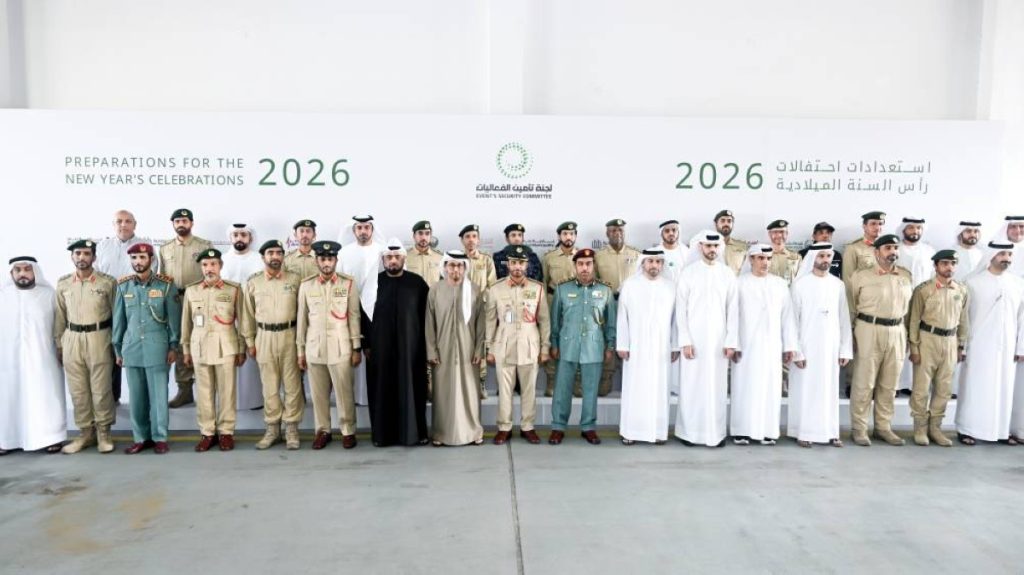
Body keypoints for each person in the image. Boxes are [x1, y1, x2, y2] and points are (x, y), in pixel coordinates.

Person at [113, 243, 180, 455]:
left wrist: (174, 346)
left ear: (151, 259)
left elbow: (174, 320)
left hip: (157, 348)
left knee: (159, 397)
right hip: (132, 348)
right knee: (136, 398)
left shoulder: (166, 285)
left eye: (142, 257)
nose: (138, 262)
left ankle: (160, 438)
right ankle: (140, 438)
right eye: (134, 258)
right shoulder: (123, 286)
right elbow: (119, 322)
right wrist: (117, 349)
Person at [847, 234, 913, 446]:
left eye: (895, 247)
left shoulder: (905, 275)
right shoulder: (861, 276)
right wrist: (850, 335)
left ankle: (883, 428)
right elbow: (851, 306)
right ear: (876, 252)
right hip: (868, 328)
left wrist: (908, 337)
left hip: (897, 330)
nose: (892, 251)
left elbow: (909, 309)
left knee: (889, 384)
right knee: (864, 383)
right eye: (887, 248)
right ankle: (859, 429)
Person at [729, 244, 798, 446]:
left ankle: (768, 431)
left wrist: (789, 346)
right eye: (760, 258)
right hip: (746, 347)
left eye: (768, 258)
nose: (765, 262)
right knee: (744, 387)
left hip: (771, 347)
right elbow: (732, 316)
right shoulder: (739, 283)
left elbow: (788, 318)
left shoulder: (779, 285)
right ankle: (741, 431)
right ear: (751, 260)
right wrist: (733, 343)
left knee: (770, 388)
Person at [363, 239, 430, 447]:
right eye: (389, 257)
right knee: (382, 390)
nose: (393, 260)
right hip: (380, 350)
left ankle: (415, 434)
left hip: (411, 350)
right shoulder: (373, 284)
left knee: (412, 389)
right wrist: (366, 345)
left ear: (403, 258)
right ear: (383, 260)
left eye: (397, 257)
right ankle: (382, 436)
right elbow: (363, 316)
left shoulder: (417, 284)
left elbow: (427, 317)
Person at [674, 231, 738, 447]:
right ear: (700, 247)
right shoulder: (688, 273)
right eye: (708, 246)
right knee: (691, 387)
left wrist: (731, 342)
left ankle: (715, 434)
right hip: (693, 342)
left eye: (715, 246)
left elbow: (733, 311)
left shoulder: (727, 274)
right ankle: (689, 433)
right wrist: (685, 340)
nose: (712, 250)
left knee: (716, 388)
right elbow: (680, 310)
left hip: (719, 343)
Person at [956, 242, 1024, 445]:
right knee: (975, 388)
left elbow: (1022, 318)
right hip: (978, 346)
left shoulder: (1018, 283)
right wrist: (962, 345)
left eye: (1009, 254)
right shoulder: (972, 283)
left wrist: (1021, 347)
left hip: (1007, 347)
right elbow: (964, 318)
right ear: (991, 255)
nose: (1006, 258)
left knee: (1004, 388)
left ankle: (1002, 431)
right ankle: (967, 429)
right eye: (1002, 254)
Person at [297, 240, 362, 450]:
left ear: (336, 260)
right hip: (314, 348)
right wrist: (300, 351)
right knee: (318, 395)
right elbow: (302, 320)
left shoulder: (348, 283)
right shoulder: (306, 285)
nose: (326, 263)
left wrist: (356, 347)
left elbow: (354, 317)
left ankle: (348, 430)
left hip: (340, 348)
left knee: (344, 393)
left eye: (330, 259)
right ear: (316, 261)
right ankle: (323, 430)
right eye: (323, 259)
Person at [55, 239, 118, 454]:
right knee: (78, 390)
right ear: (72, 257)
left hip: (99, 337)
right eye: (78, 253)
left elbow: (117, 315)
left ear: (94, 257)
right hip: (72, 338)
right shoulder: (64, 284)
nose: (81, 257)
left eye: (86, 253)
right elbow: (60, 316)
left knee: (101, 389)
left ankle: (104, 433)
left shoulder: (107, 282)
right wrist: (59, 344)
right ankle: (85, 434)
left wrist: (116, 344)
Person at [548, 249, 617, 445]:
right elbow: (555, 321)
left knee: (591, 389)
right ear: (575, 266)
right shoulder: (562, 289)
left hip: (593, 346)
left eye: (588, 264)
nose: (584, 268)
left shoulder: (605, 290)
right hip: (567, 346)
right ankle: (558, 426)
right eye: (580, 264)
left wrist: (610, 345)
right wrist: (554, 344)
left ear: (593, 265)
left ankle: (588, 427)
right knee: (562, 389)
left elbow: (611, 323)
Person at [241, 239, 304, 450]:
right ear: (263, 257)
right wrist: (250, 341)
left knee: (293, 386)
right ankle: (272, 429)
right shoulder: (254, 282)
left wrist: (301, 344)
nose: (275, 256)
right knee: (269, 387)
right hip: (264, 336)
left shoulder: (295, 280)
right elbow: (247, 314)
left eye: (279, 252)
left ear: (283, 256)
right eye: (271, 253)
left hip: (290, 335)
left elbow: (304, 313)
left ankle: (291, 429)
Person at [787, 243, 853, 448]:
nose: (825, 260)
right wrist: (796, 351)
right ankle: (803, 432)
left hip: (830, 347)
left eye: (828, 256)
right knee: (806, 389)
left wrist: (845, 349)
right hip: (807, 347)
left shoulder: (838, 284)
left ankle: (830, 432)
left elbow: (844, 318)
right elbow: (792, 321)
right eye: (821, 256)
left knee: (829, 390)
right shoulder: (800, 284)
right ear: (813, 258)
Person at [181, 249, 246, 452]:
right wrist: (185, 349)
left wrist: (241, 348)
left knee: (227, 392)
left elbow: (242, 321)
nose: (209, 269)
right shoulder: (192, 291)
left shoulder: (233, 290)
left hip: (225, 347)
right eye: (205, 265)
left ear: (220, 266)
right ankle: (207, 433)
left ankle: (226, 432)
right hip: (199, 347)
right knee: (204, 393)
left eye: (213, 264)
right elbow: (186, 323)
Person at [0, 257, 66, 455]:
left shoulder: (49, 295)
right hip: (8, 360)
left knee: (44, 397)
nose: (23, 274)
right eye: (18, 270)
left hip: (43, 359)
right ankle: (7, 439)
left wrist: (61, 349)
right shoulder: (3, 295)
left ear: (35, 272)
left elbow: (59, 325)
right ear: (11, 273)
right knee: (8, 397)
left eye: (27, 269)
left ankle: (51, 438)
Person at [486, 252, 551, 445]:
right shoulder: (496, 289)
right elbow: (490, 321)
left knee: (529, 390)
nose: (517, 267)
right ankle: (504, 428)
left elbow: (544, 321)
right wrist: (489, 348)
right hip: (503, 346)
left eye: (521, 263)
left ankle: (527, 427)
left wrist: (545, 348)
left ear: (526, 265)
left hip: (529, 346)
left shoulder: (537, 288)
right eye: (513, 262)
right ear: (508, 265)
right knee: (504, 391)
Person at [96, 209, 159, 403]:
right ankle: (112, 396)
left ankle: (141, 399)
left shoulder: (145, 246)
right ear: (113, 224)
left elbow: (151, 273)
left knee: (137, 346)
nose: (123, 225)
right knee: (110, 349)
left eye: (128, 221)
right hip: (107, 304)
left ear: (135, 224)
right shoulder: (102, 246)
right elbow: (96, 274)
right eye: (119, 221)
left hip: (135, 305)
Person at [616, 248, 678, 445]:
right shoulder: (630, 285)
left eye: (658, 262)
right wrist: (623, 344)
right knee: (636, 389)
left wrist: (675, 346)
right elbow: (622, 318)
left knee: (659, 389)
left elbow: (676, 320)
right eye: (650, 261)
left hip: (661, 348)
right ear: (642, 263)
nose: (654, 265)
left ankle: (658, 432)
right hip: (636, 348)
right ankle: (631, 431)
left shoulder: (671, 287)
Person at [907, 250, 968, 447]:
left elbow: (963, 320)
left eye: (953, 263)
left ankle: (935, 428)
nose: (949, 267)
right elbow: (914, 320)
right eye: (945, 263)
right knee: (921, 387)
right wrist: (914, 347)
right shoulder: (923, 290)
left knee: (944, 388)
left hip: (950, 341)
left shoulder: (961, 290)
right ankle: (920, 428)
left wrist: (961, 345)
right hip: (928, 339)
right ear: (936, 266)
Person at [425, 251, 486, 446]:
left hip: (469, 350)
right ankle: (441, 433)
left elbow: (481, 324)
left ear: (465, 267)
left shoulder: (474, 290)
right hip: (442, 350)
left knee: (469, 392)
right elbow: (429, 323)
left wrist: (479, 350)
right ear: (445, 267)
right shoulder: (435, 290)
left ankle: (473, 432)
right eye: (451, 265)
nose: (456, 269)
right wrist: (431, 350)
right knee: (443, 393)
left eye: (460, 265)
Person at [159, 208, 214, 408]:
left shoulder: (204, 245)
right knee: (181, 342)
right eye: (177, 221)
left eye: (184, 221)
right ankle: (184, 390)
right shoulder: (165, 248)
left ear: (191, 223)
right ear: (173, 224)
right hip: (175, 301)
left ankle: (206, 390)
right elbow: (162, 277)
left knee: (202, 338)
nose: (181, 224)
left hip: (198, 301)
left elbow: (211, 272)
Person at [339, 215, 387, 406]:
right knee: (353, 352)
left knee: (374, 353)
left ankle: (373, 397)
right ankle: (355, 398)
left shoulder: (382, 251)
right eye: (359, 228)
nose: (363, 231)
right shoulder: (344, 253)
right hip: (350, 309)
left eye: (367, 227)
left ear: (372, 229)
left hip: (377, 311)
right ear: (354, 231)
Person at [221, 223, 265, 411]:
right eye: (236, 235)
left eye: (243, 235)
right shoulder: (222, 259)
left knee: (252, 357)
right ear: (230, 238)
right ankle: (230, 401)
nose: (239, 238)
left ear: (250, 238)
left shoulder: (259, 259)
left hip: (253, 314)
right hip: (227, 317)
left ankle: (254, 400)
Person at [594, 218, 640, 396]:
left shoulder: (636, 254)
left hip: (631, 304)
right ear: (607, 233)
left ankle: (631, 384)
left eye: (620, 230)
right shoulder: (599, 256)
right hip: (608, 303)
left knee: (631, 338)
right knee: (609, 338)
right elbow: (594, 283)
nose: (617, 233)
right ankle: (606, 377)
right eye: (613, 230)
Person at [895, 217, 938, 397]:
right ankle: (897, 384)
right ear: (904, 229)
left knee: (919, 342)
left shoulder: (929, 251)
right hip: (899, 302)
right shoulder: (895, 249)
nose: (915, 231)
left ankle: (914, 385)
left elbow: (934, 277)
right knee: (899, 342)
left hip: (924, 303)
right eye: (911, 228)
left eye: (918, 228)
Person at [541, 222, 579, 397]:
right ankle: (552, 380)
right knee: (552, 338)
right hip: (553, 300)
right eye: (565, 234)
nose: (568, 237)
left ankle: (576, 381)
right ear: (559, 236)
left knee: (575, 338)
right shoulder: (549, 257)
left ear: (575, 236)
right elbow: (543, 281)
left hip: (575, 302)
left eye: (571, 234)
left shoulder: (582, 256)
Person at [460, 224, 497, 399]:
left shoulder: (486, 260)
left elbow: (492, 285)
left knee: (480, 346)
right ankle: (462, 383)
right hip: (460, 310)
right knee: (461, 345)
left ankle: (480, 382)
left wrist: (481, 300)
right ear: (462, 240)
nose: (471, 240)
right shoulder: (456, 259)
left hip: (481, 309)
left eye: (474, 236)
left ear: (479, 240)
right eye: (467, 237)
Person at [841, 210, 886, 283]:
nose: (877, 227)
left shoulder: (887, 248)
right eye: (873, 224)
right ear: (864, 227)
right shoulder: (853, 248)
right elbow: (848, 279)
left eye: (880, 224)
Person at [766, 219, 801, 286]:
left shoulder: (796, 257)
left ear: (787, 234)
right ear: (769, 234)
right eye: (775, 232)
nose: (779, 235)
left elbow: (800, 280)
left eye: (782, 232)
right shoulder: (763, 256)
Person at [714, 209, 748, 275]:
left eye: (729, 221)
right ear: (716, 224)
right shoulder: (708, 246)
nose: (726, 224)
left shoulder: (743, 246)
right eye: (722, 221)